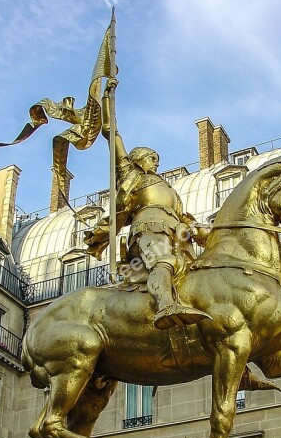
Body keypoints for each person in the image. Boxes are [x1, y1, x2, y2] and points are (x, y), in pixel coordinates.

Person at [84, 79, 212, 330]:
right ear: (138, 161)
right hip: (148, 230)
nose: (156, 163)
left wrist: (199, 230)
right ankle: (165, 305)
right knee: (162, 259)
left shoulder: (169, 189)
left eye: (157, 159)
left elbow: (185, 218)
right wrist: (108, 98)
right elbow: (111, 133)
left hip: (176, 233)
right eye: (151, 158)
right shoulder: (132, 176)